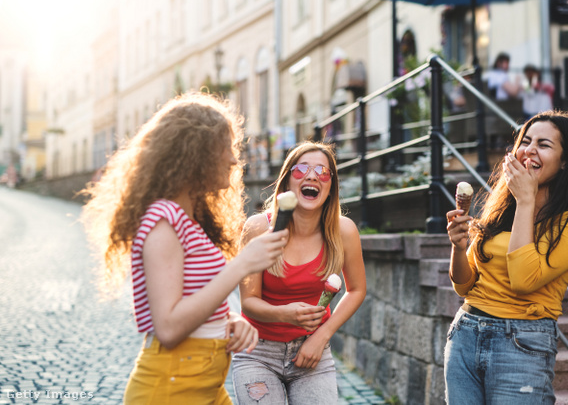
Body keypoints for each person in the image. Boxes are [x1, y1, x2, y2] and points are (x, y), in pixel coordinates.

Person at [81, 92, 289, 404]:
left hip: (203, 384)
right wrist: (241, 265)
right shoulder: (163, 221)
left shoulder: (187, 219)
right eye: (225, 147)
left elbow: (193, 296)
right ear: (195, 154)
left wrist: (226, 320)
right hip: (171, 387)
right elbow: (168, 326)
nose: (234, 159)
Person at [444, 110, 568, 404]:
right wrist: (458, 247)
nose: (529, 150)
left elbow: (523, 279)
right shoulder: (503, 206)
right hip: (466, 333)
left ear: (566, 161)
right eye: (526, 140)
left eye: (544, 145)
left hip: (522, 342)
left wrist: (526, 200)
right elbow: (464, 286)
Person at [232, 141, 366, 404]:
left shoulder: (344, 231)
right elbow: (248, 303)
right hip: (257, 352)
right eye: (301, 168)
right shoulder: (258, 228)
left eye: (322, 171)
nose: (313, 175)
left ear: (330, 187)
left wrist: (321, 336)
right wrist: (285, 313)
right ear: (286, 184)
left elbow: (357, 289)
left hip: (311, 351)